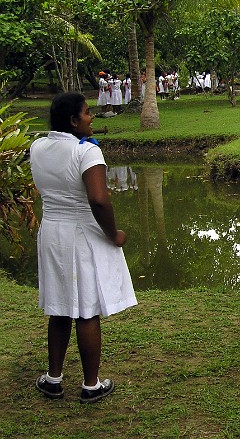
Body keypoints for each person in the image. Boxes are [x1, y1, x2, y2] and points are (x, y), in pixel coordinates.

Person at [30, 93, 137, 404]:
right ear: (74, 121)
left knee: (59, 305)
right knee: (86, 309)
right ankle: (91, 384)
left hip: (52, 230)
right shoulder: (86, 152)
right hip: (81, 232)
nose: (92, 118)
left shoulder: (38, 147)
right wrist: (114, 234)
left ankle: (53, 379)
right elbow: (99, 199)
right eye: (88, 113)